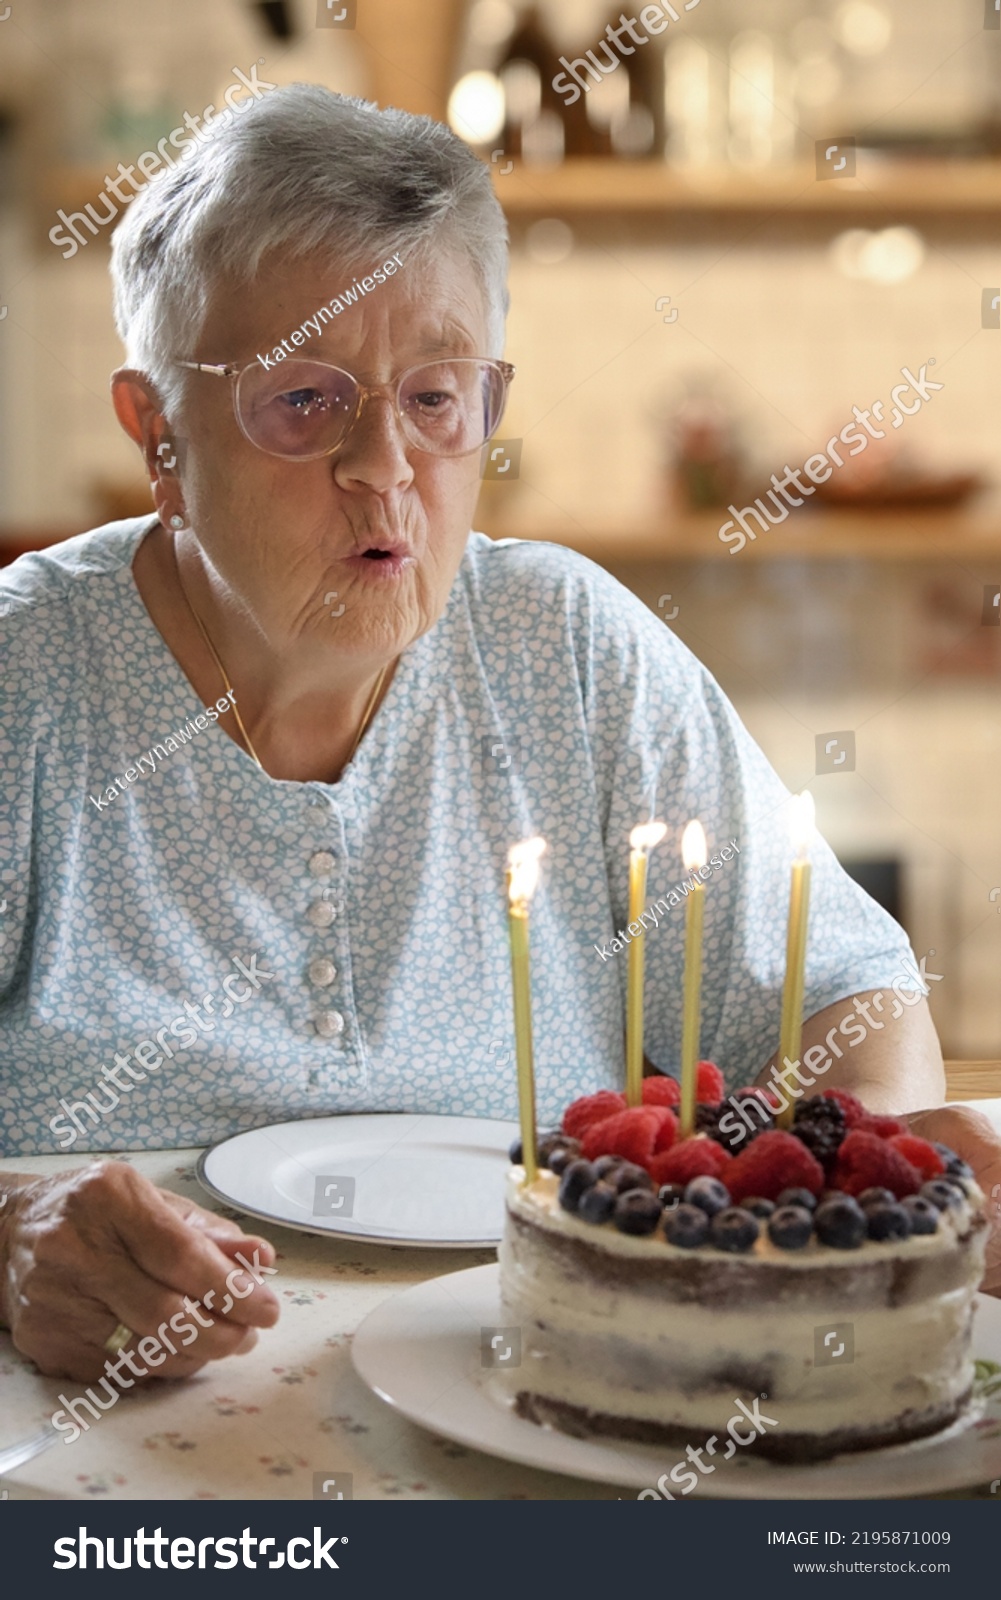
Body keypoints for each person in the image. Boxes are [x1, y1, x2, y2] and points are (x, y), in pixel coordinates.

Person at [0, 86, 997, 1384]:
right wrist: (12, 1238)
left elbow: (839, 994)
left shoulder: (570, 649)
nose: (385, 465)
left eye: (435, 395)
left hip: (541, 1388)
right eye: (302, 400)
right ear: (159, 434)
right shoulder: (29, 676)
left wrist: (846, 1191)